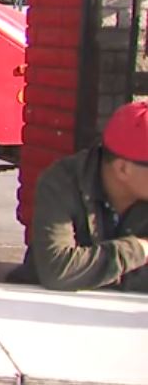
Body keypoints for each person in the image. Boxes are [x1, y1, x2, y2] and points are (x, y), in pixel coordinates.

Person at [18, 100, 148, 292]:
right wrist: (137, 250)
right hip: (41, 310)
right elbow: (58, 270)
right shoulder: (63, 182)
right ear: (123, 169)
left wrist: (91, 270)